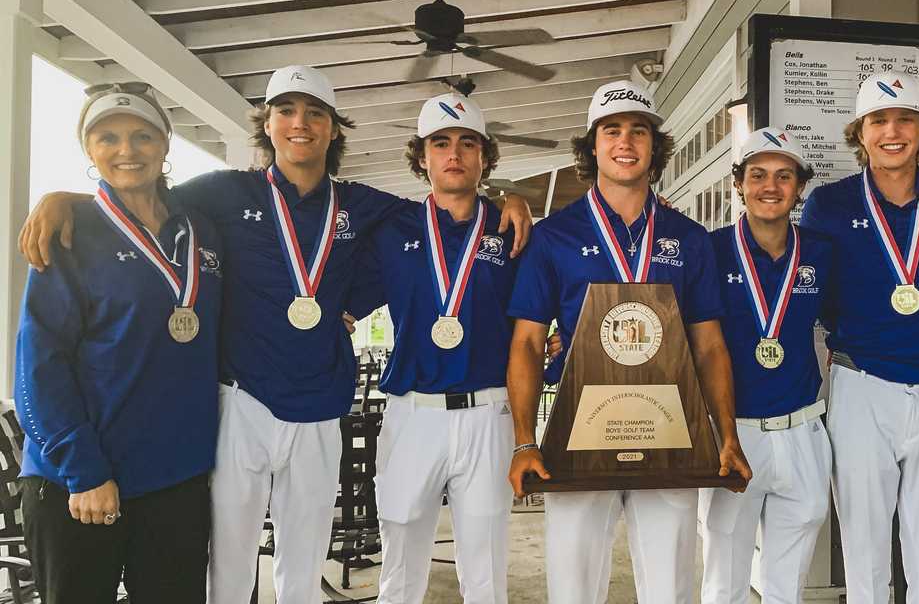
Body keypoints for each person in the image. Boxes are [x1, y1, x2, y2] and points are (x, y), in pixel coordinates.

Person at [18, 65, 532, 604]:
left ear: (334, 129)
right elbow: (140, 191)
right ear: (267, 124)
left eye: (315, 113)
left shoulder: (362, 205)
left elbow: (447, 207)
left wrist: (509, 198)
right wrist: (69, 198)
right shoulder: (222, 192)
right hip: (242, 401)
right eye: (286, 110)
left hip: (319, 405)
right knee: (230, 565)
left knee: (302, 565)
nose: (300, 123)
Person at [506, 79, 752, 604]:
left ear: (653, 147)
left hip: (669, 432)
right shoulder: (555, 236)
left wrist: (726, 435)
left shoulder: (689, 238)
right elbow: (527, 342)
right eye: (611, 130)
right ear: (592, 146)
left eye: (638, 131)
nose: (625, 142)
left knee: (671, 587)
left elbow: (709, 345)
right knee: (572, 587)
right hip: (578, 433)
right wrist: (525, 442)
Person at [15, 83, 222, 603]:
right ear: (89, 150)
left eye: (142, 136)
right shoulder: (69, 233)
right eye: (107, 137)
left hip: (174, 482)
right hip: (79, 482)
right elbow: (39, 365)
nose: (126, 151)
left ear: (166, 143)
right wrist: (83, 471)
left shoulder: (202, 229)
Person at [799, 72, 919, 604]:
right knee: (864, 543)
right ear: (860, 132)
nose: (891, 131)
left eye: (905, 119)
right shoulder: (829, 203)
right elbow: (811, 286)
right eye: (879, 120)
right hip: (862, 384)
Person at [353, 93, 519, 603]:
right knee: (399, 561)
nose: (455, 153)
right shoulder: (391, 227)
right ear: (422, 157)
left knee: (486, 562)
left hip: (488, 413)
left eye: (468, 143)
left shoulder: (513, 228)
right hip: (412, 412)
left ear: (485, 158)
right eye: (440, 143)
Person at [700, 127, 834, 604]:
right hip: (731, 433)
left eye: (784, 176)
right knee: (724, 576)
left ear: (800, 187)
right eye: (757, 175)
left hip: (803, 430)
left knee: (788, 582)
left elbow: (854, 314)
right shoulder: (709, 250)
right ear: (739, 183)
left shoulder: (820, 250)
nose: (770, 186)